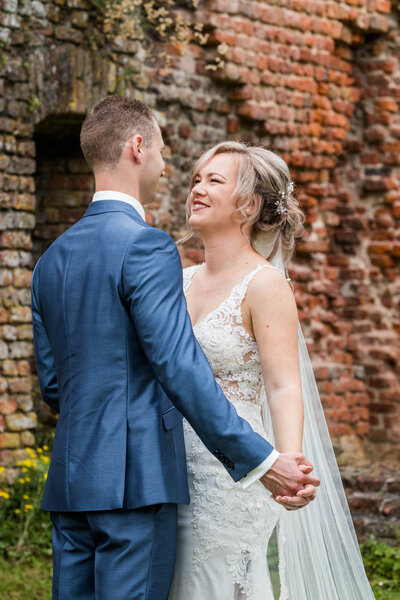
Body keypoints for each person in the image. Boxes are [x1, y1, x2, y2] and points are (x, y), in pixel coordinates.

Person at [31, 97, 319, 600]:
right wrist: (262, 460)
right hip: (140, 480)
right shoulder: (149, 247)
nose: (174, 172)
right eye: (167, 155)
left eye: (212, 179)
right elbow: (177, 367)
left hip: (74, 482)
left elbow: (56, 385)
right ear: (137, 147)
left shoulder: (49, 261)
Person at [168, 142, 376, 599]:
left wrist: (289, 464)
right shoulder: (177, 281)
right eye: (196, 180)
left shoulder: (265, 285)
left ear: (248, 204)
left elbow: (283, 386)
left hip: (232, 480)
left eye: (214, 181)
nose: (197, 190)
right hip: (168, 473)